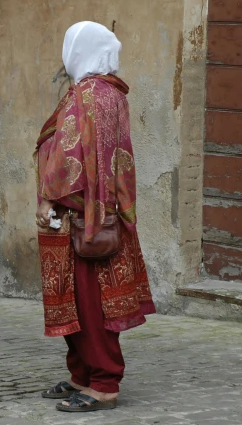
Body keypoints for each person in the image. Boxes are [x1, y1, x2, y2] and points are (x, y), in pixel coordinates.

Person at [34, 21, 155, 413]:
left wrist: (51, 198)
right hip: (90, 213)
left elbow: (74, 158)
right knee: (77, 301)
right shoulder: (108, 93)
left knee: (91, 303)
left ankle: (103, 383)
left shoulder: (90, 95)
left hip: (83, 217)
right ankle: (81, 374)